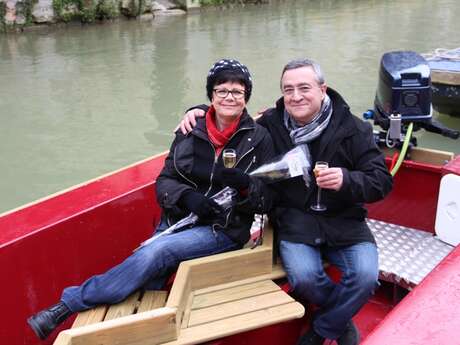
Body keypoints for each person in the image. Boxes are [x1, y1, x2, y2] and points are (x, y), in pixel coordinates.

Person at [27, 58, 275, 341]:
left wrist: (245, 188)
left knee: (157, 253)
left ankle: (67, 305)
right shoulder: (190, 130)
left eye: (237, 92)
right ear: (211, 95)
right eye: (222, 90)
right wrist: (188, 198)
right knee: (150, 278)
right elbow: (165, 182)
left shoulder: (259, 138)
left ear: (246, 97)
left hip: (221, 228)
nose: (229, 97)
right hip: (179, 220)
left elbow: (266, 199)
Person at [179, 58, 393, 345]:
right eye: (287, 89)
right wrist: (198, 110)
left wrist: (346, 180)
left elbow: (381, 181)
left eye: (304, 88)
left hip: (345, 221)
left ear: (322, 89)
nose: (295, 96)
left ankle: (322, 328)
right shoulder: (270, 124)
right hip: (296, 221)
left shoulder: (354, 129)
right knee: (304, 278)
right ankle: (341, 324)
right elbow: (232, 116)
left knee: (366, 277)